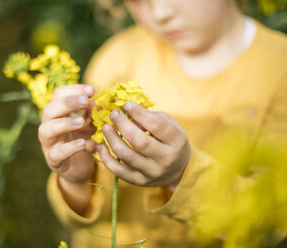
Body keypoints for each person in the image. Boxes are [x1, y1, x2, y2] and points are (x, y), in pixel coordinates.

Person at [38, 0, 287, 247]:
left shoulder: (279, 67)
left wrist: (181, 174)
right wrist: (77, 180)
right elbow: (86, 216)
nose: (160, 13)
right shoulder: (118, 58)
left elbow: (274, 222)